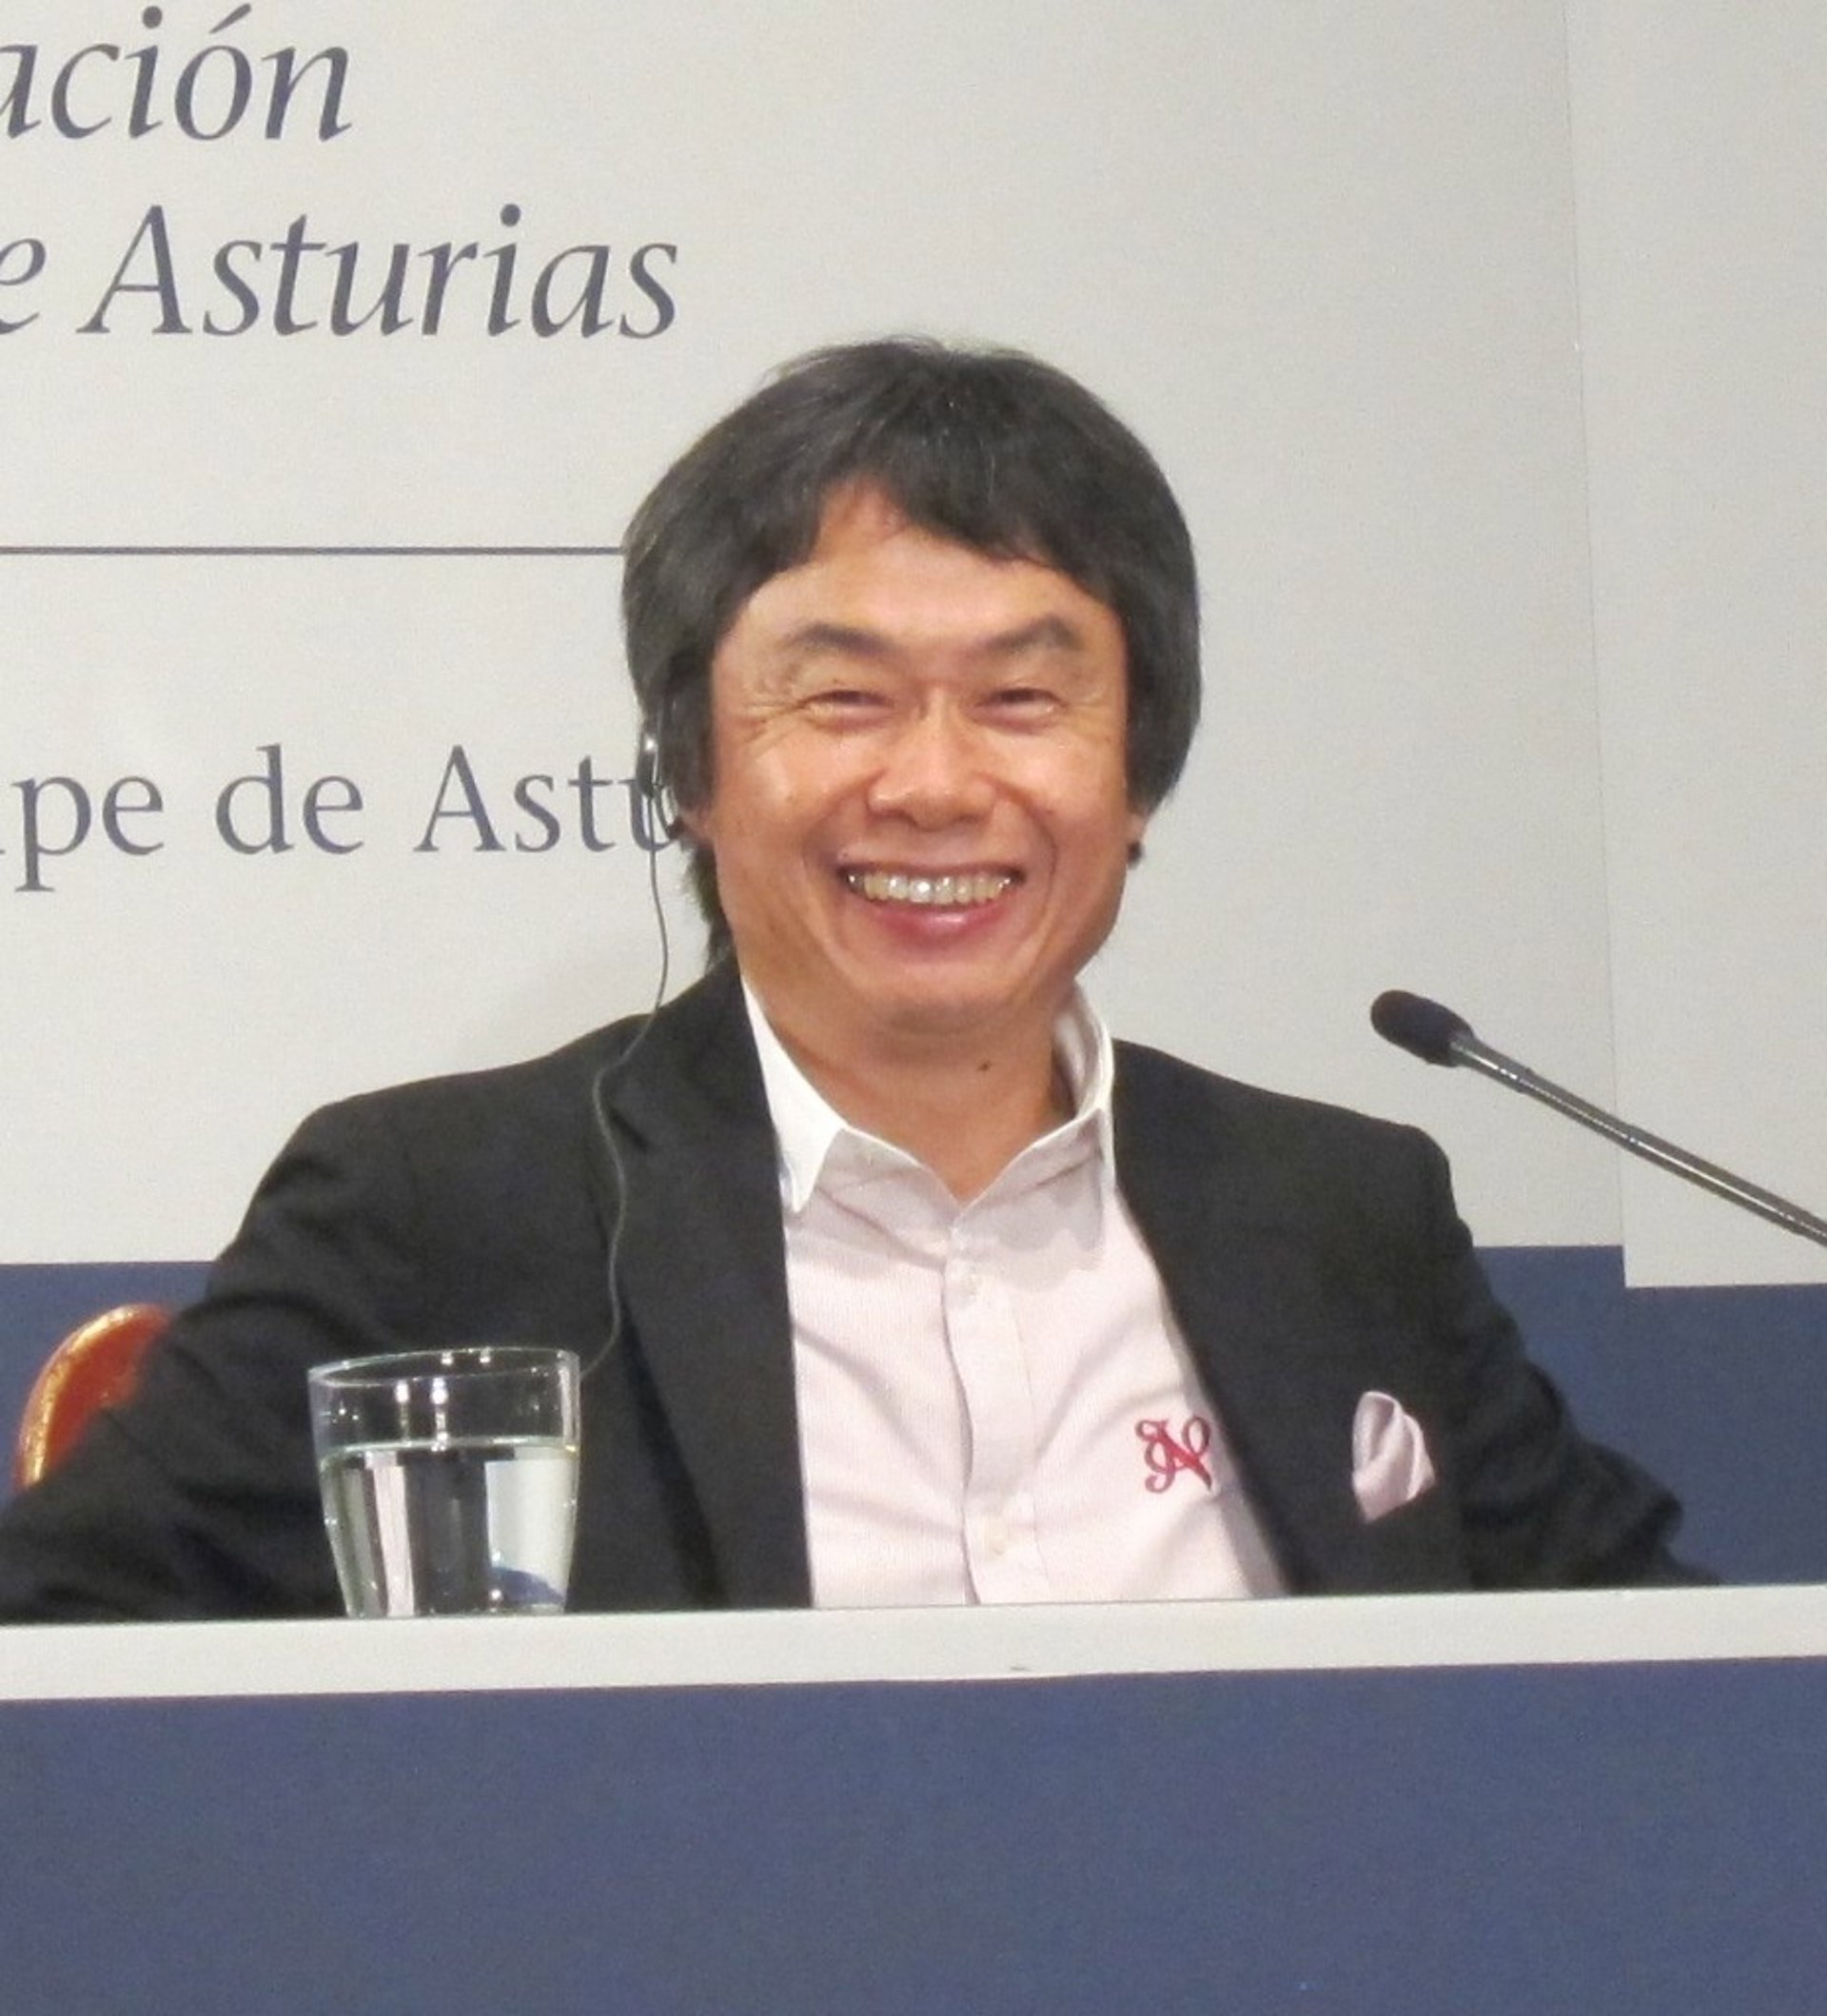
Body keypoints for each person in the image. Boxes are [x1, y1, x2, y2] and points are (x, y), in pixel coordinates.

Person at [0, 338, 1699, 1619]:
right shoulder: (438, 1214)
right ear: (689, 768)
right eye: (843, 699)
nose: (938, 784)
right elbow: (63, 1675)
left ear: (1138, 773)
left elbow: (1671, 1703)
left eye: (1024, 700)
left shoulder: (1338, 1218)